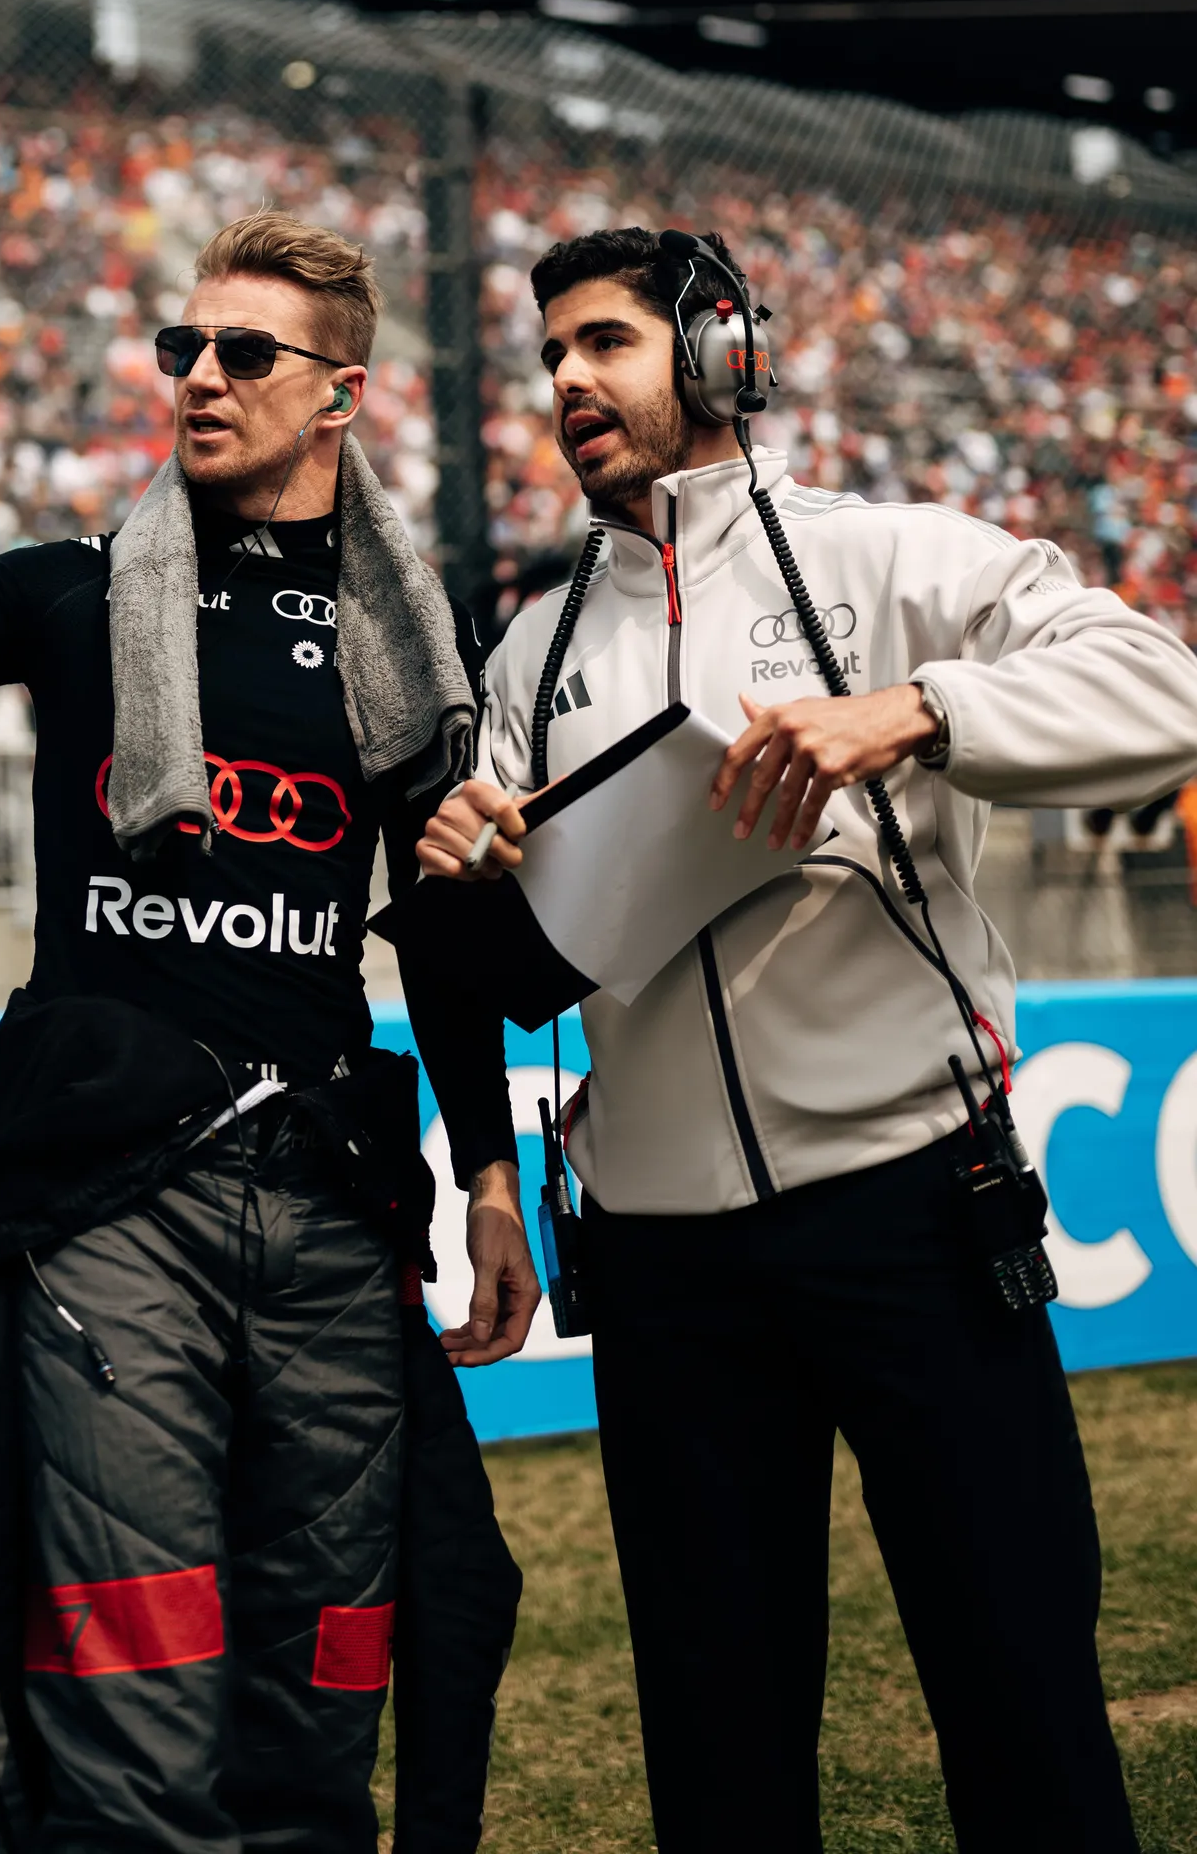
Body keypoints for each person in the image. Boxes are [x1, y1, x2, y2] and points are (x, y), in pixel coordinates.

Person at [0, 210, 535, 1854]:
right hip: (111, 1207)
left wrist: (489, 1175)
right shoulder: (72, 593)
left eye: (244, 353)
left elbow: (439, 936)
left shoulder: (410, 644)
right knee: (136, 1709)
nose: (199, 377)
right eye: (181, 347)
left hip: (336, 1211)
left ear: (339, 394)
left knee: (322, 1702)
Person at [419, 223, 1197, 1854]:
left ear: (722, 352)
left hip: (918, 1215)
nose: (568, 382)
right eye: (552, 355)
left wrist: (920, 711)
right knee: (719, 1758)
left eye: (606, 342)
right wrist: (460, 869)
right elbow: (480, 954)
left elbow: (1163, 687)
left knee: (1024, 1706)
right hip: (661, 1275)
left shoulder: (888, 556)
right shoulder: (529, 654)